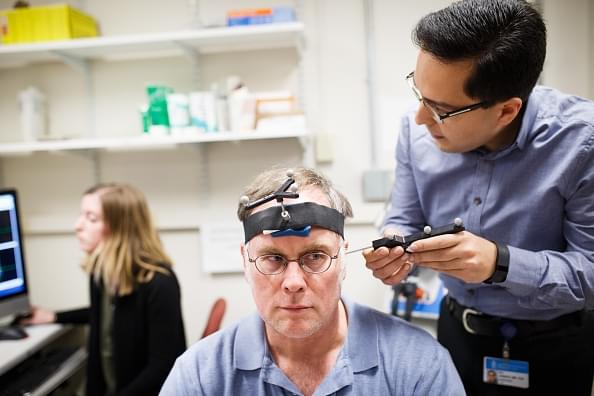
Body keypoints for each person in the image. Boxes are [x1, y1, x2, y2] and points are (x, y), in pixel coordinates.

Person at [362, 0, 594, 395]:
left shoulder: (580, 142)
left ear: (506, 111)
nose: (420, 118)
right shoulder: (416, 132)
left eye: (441, 110)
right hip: (457, 332)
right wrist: (395, 253)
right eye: (418, 93)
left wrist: (500, 263)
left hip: (555, 344)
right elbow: (403, 216)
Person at [160, 167, 464, 395]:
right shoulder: (200, 376)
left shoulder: (418, 366)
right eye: (273, 259)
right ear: (245, 261)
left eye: (315, 256)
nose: (294, 282)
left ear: (343, 258)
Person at [20, 183, 186, 396]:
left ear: (121, 228)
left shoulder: (160, 282)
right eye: (82, 215)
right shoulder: (101, 275)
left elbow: (163, 367)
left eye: (92, 218)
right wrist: (53, 316)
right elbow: (108, 320)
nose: (77, 225)